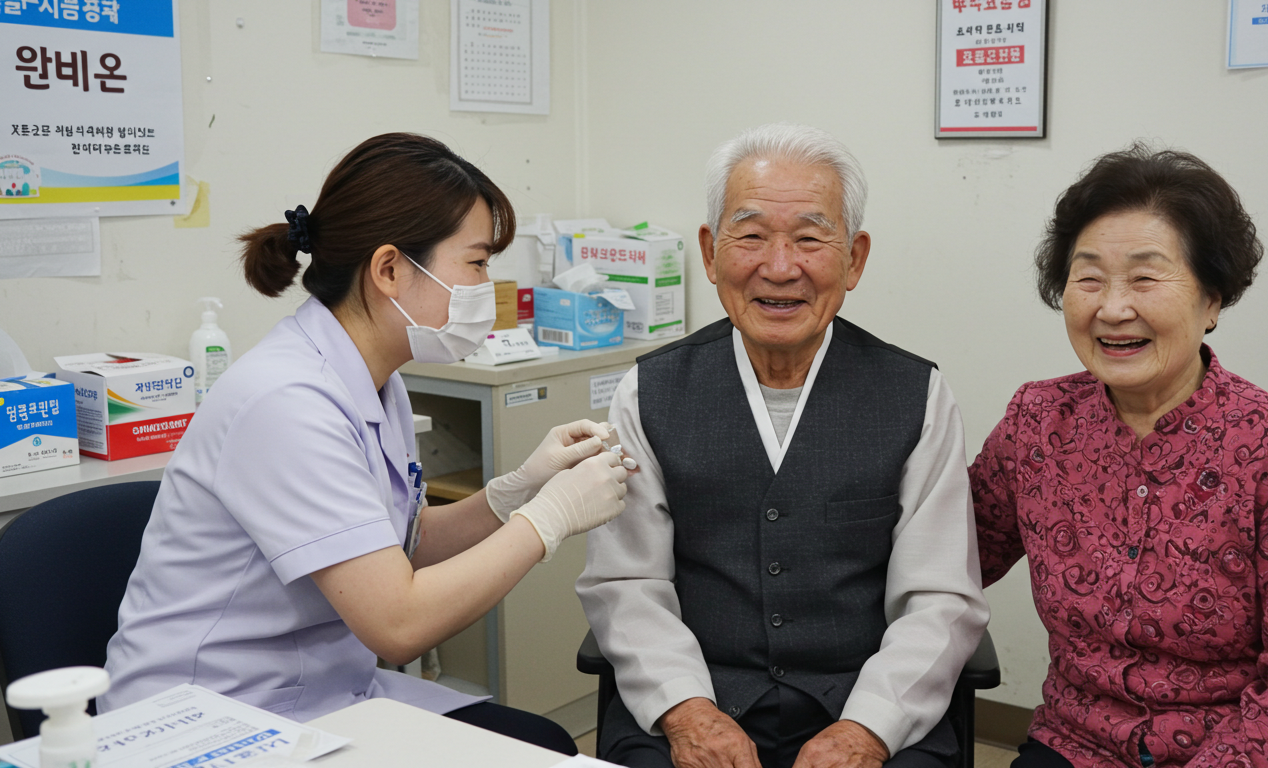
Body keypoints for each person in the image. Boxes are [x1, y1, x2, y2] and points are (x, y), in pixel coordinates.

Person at [99, 133, 628, 754]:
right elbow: (398, 623)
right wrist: (548, 520)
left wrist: (512, 494)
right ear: (389, 270)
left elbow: (401, 544)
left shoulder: (377, 381)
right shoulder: (285, 401)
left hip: (317, 695)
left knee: (542, 742)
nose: (488, 284)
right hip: (209, 719)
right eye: (478, 263)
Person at [577, 123, 989, 768]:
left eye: (810, 238)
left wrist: (869, 729)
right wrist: (687, 712)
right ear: (710, 252)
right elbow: (627, 582)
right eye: (750, 236)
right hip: (699, 694)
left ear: (854, 258)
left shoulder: (917, 394)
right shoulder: (648, 391)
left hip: (863, 699)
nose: (779, 266)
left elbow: (940, 598)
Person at [968, 144, 1268, 768]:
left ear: (1213, 300)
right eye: (1089, 278)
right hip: (1078, 744)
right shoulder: (1036, 423)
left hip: (1244, 752)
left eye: (1145, 278)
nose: (1112, 308)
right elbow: (949, 555)